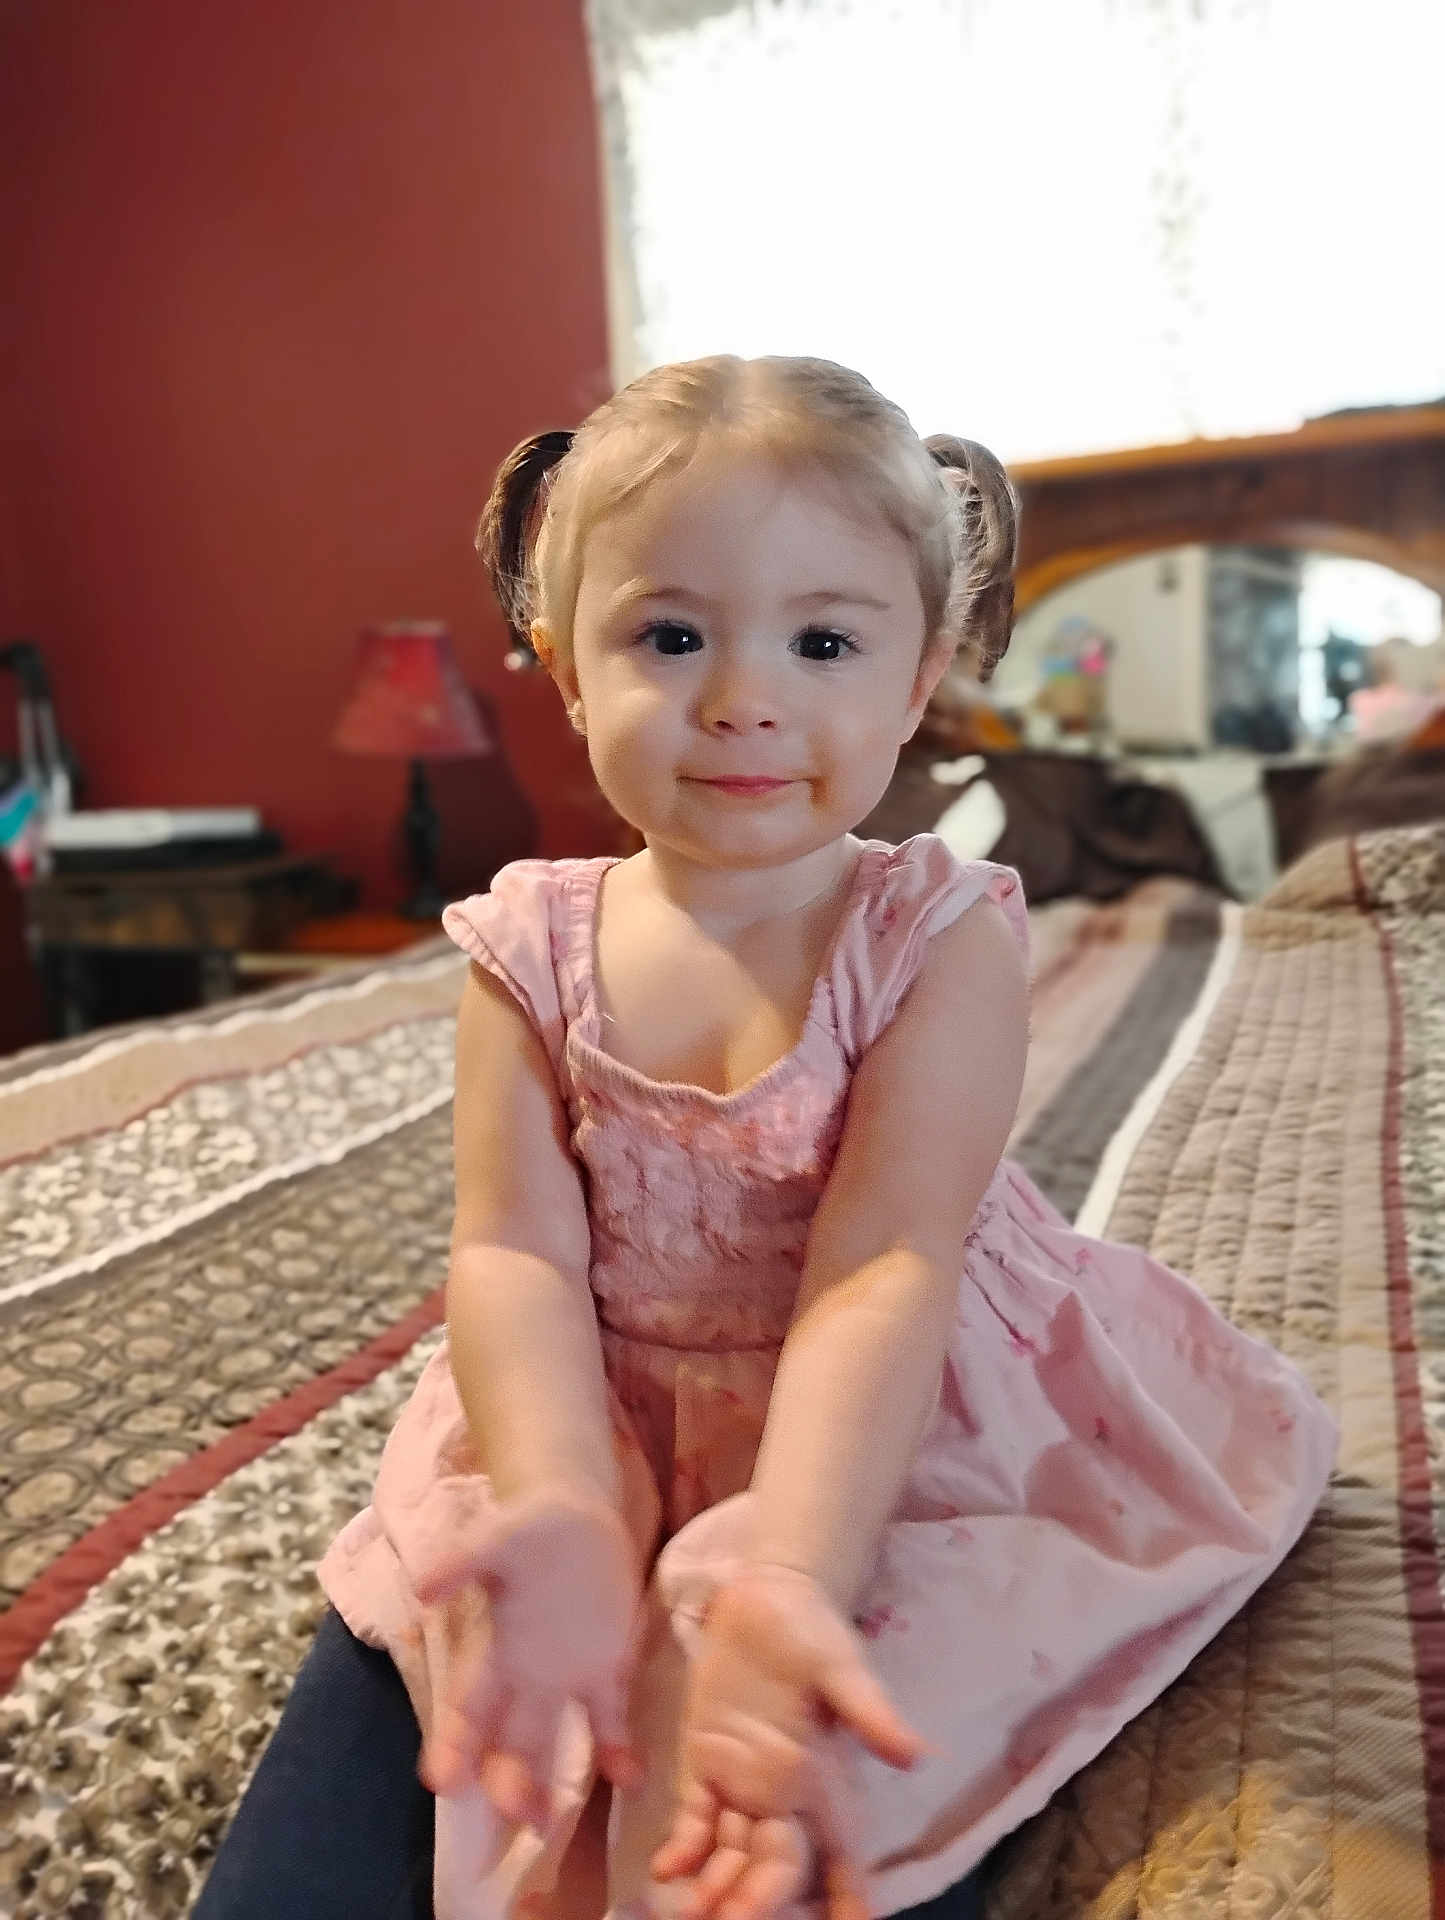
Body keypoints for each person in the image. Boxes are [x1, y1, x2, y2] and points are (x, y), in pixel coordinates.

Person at [196, 355, 1336, 1920]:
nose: (743, 696)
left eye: (821, 641)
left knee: (788, 1813)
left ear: (920, 671)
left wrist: (789, 1564)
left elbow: (882, 1268)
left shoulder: (937, 933)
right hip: (588, 1405)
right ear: (562, 659)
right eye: (670, 636)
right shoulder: (525, 943)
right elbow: (511, 1251)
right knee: (426, 1753)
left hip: (878, 1417)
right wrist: (559, 1497)